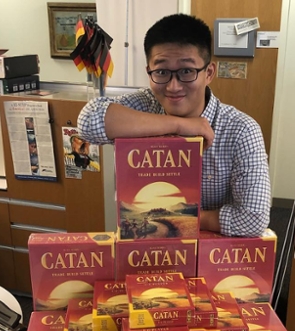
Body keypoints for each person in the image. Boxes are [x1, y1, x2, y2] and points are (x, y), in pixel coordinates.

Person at [78, 14, 270, 237]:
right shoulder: (144, 104)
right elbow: (88, 121)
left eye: (187, 71)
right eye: (161, 72)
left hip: (212, 255)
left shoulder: (241, 130)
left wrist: (180, 218)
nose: (173, 85)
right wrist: (180, 125)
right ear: (149, 71)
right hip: (146, 249)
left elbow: (254, 218)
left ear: (208, 73)